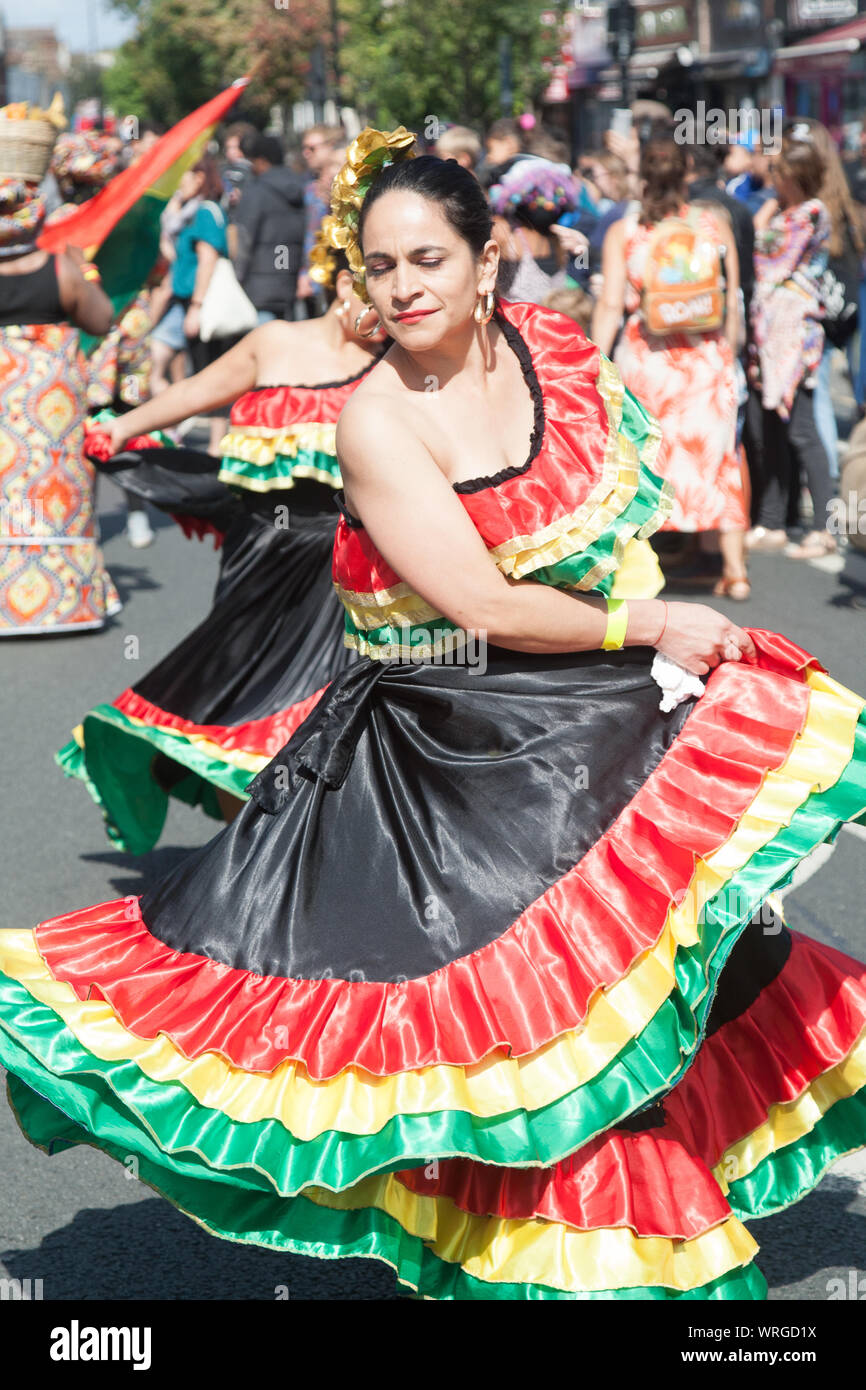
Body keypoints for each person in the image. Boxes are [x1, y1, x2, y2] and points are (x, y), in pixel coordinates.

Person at [1, 128, 865, 1302]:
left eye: (426, 261)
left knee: (687, 950)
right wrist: (649, 631)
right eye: (381, 267)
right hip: (428, 740)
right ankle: (579, 1245)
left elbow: (592, 551)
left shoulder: (547, 350)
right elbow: (473, 601)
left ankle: (624, 1212)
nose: (402, 287)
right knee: (503, 1017)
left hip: (556, 702)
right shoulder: (374, 418)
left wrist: (650, 634)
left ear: (486, 260)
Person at [62, 221, 387, 851]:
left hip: (343, 561)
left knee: (314, 705)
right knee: (234, 690)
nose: (385, 316)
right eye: (374, 295)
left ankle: (282, 851)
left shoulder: (395, 364)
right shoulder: (273, 342)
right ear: (344, 283)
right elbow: (194, 392)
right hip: (259, 552)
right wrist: (126, 427)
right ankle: (237, 834)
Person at [593, 136, 751, 599]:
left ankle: (643, 567)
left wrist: (592, 362)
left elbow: (609, 304)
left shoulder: (628, 231)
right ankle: (735, 570)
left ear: (642, 175)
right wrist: (731, 354)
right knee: (718, 462)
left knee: (643, 460)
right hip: (706, 361)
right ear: (686, 171)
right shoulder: (712, 224)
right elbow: (732, 298)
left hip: (650, 362)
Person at [0, 168, 119, 633]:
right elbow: (101, 319)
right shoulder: (60, 268)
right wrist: (84, 270)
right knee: (54, 490)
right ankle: (67, 601)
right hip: (48, 406)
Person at [747, 134, 837, 560]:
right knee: (775, 430)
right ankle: (773, 521)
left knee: (801, 429)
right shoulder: (792, 211)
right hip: (772, 334)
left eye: (778, 173)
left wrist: (763, 215)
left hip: (796, 335)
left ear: (793, 176)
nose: (773, 180)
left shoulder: (812, 213)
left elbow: (768, 257)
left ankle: (824, 528)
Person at [783, 118, 865, 483]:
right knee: (831, 394)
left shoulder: (815, 205)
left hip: (829, 304)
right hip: (843, 298)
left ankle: (830, 484)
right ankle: (834, 479)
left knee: (820, 396)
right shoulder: (844, 189)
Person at [228, 131, 305, 326]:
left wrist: (236, 276)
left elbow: (244, 238)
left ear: (261, 161)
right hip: (288, 282)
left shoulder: (256, 191)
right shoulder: (297, 188)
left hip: (259, 288)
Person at [489, 156, 582, 304]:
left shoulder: (559, 237)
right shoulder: (505, 231)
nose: (546, 203)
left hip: (548, 324)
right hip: (519, 324)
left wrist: (582, 254)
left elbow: (580, 275)